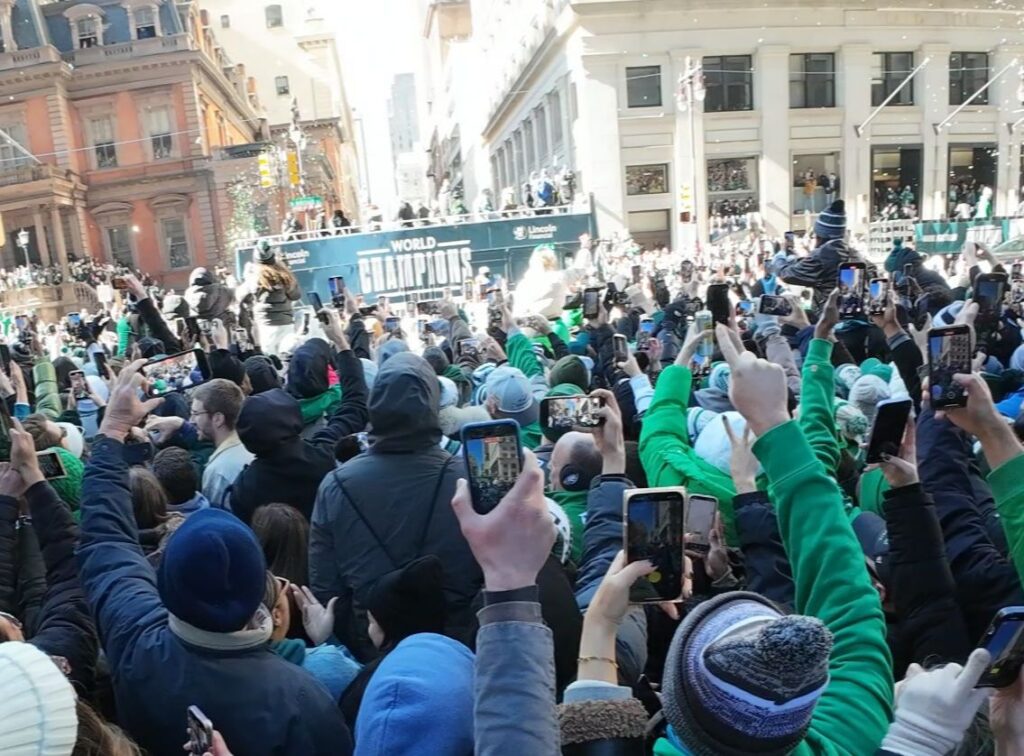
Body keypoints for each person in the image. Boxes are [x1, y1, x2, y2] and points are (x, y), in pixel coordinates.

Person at [76, 361, 352, 756]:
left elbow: (104, 539)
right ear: (263, 587)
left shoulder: (133, 633)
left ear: (166, 582)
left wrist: (113, 431)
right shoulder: (303, 699)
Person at [310, 351, 481, 657]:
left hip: (375, 645)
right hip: (456, 642)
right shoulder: (468, 476)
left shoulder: (335, 484)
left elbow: (326, 589)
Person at [230, 312, 368, 523]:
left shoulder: (243, 488)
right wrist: (341, 342)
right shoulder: (324, 453)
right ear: (292, 420)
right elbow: (355, 404)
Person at [241, 242, 301, 357]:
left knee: (271, 360)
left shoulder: (252, 276)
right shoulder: (283, 275)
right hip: (285, 322)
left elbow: (241, 297)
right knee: (288, 356)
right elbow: (296, 295)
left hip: (265, 325)